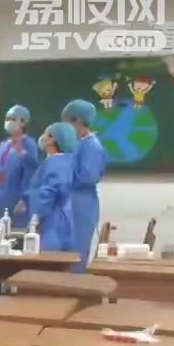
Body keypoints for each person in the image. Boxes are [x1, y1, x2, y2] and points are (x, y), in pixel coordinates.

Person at [62, 99, 106, 270]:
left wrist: (61, 179)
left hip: (81, 207)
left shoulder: (91, 147)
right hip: (72, 205)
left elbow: (88, 177)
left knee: (76, 256)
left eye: (66, 122)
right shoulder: (78, 144)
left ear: (79, 121)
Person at [27, 123, 78, 252]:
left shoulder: (55, 163)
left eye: (46, 134)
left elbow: (47, 194)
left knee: (49, 259)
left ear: (53, 139)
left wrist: (35, 216)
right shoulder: (71, 161)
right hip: (70, 223)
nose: (42, 137)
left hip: (54, 225)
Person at [0, 104, 40, 230]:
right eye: (7, 119)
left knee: (13, 235)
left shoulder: (28, 145)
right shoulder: (3, 145)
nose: (9, 122)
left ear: (23, 122)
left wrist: (24, 198)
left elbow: (31, 173)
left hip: (15, 202)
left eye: (13, 119)